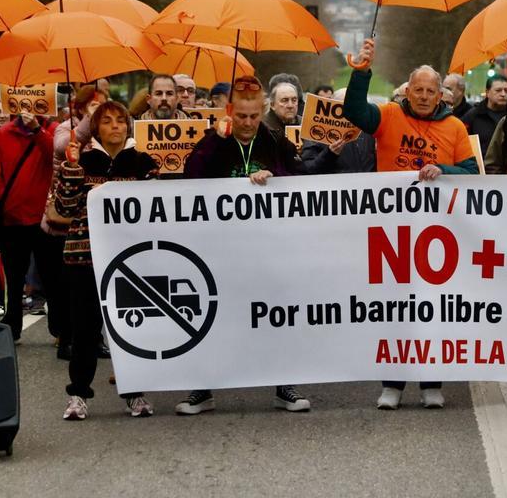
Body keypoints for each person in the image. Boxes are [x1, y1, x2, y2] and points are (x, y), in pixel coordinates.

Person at [344, 38, 476, 409]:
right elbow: (354, 111)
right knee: (396, 309)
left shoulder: (455, 127)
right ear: (407, 90)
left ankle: (431, 383)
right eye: (418, 89)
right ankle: (393, 384)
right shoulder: (388, 115)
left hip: (438, 233)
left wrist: (444, 170)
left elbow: (471, 171)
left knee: (434, 309)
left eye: (430, 91)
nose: (423, 96)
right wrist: (361, 72)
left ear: (441, 95)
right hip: (393, 229)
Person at [172, 75, 313, 416]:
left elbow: (301, 180)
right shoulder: (213, 140)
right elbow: (190, 177)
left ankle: (284, 385)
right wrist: (215, 141)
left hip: (268, 247)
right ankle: (203, 388)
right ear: (230, 112)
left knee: (275, 315)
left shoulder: (274, 140)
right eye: (241, 116)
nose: (248, 123)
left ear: (262, 111)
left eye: (253, 116)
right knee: (215, 316)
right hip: (221, 247)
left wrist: (276, 179)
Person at [50, 101, 156, 421]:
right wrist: (70, 170)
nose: (115, 126)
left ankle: (134, 393)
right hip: (85, 259)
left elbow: (157, 206)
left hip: (130, 260)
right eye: (107, 121)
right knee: (85, 330)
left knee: (131, 328)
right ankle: (78, 394)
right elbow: (64, 209)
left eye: (120, 120)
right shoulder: (80, 161)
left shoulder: (143, 163)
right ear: (96, 128)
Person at [0, 109, 65, 350]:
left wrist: (36, 129)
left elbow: (55, 155)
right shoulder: (4, 133)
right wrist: (3, 199)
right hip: (12, 219)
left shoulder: (52, 130)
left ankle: (60, 329)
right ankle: (11, 328)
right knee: (13, 279)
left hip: (45, 219)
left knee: (52, 277)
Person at [299, 88, 377, 175]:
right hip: (336, 182)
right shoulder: (317, 132)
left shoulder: (369, 129)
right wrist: (330, 153)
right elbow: (309, 168)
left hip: (368, 182)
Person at [53, 85, 107, 166]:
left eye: (104, 105)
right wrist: (90, 119)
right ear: (81, 109)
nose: (101, 110)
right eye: (94, 105)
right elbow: (61, 149)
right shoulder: (66, 127)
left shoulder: (106, 128)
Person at [462, 76, 507, 149]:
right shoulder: (473, 115)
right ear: (487, 92)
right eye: (498, 90)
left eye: (506, 90)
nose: (503, 94)